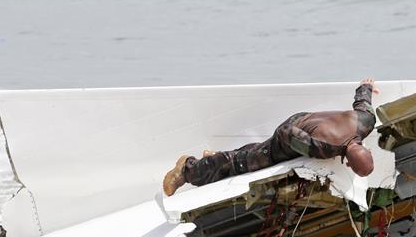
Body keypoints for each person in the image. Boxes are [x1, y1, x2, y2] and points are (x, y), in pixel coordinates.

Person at [163, 78, 380, 196]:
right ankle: (188, 169)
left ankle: (214, 157)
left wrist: (366, 86)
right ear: (348, 163)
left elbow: (362, 101)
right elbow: (286, 134)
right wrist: (275, 153)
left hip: (307, 119)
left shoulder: (366, 121)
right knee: (246, 162)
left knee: (256, 153)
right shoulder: (325, 148)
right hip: (290, 131)